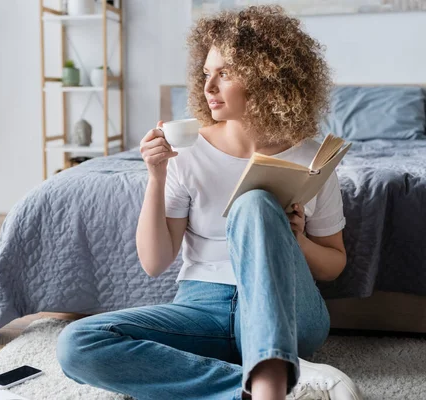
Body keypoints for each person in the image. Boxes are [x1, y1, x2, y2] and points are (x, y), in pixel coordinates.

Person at [56, 5, 363, 400]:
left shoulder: (312, 158)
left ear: (267, 76)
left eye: (225, 73)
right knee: (77, 343)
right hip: (203, 309)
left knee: (252, 203)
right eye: (205, 74)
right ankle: (266, 386)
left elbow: (334, 264)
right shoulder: (187, 151)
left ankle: (271, 380)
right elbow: (154, 263)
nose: (207, 87)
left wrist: (299, 240)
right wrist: (156, 175)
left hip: (288, 311)